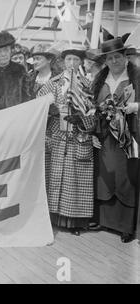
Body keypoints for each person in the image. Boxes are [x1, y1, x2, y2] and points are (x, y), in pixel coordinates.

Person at [37, 46, 96, 236]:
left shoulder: (88, 85)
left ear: (81, 63)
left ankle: (74, 222)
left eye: (76, 60)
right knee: (55, 177)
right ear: (63, 62)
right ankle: (52, 218)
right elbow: (37, 104)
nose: (72, 64)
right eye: (69, 60)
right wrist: (50, 110)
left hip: (78, 137)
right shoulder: (53, 84)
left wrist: (83, 120)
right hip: (56, 137)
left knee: (74, 179)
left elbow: (95, 113)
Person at [92, 38, 139, 243]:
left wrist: (135, 107)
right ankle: (104, 219)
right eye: (110, 58)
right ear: (105, 61)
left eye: (118, 57)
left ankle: (126, 225)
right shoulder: (100, 81)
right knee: (105, 174)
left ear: (125, 57)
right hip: (105, 135)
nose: (114, 61)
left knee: (126, 175)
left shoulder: (136, 78)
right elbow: (91, 106)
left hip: (130, 134)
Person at [0, 31, 33, 111]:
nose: (3, 54)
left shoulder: (20, 70)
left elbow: (26, 95)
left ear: (10, 51)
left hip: (16, 115)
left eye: (6, 50)